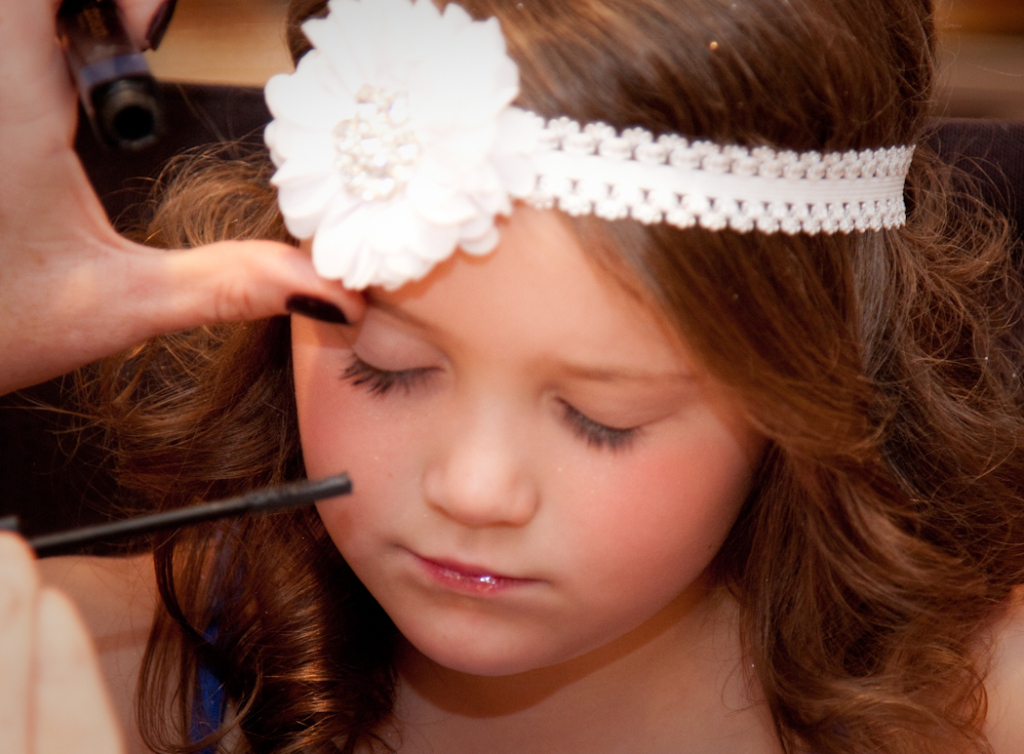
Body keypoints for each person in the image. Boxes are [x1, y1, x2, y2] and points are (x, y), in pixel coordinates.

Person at [7, 0, 1024, 752]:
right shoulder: (93, 662)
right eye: (388, 369)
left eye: (600, 417)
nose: (473, 489)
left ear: (813, 382)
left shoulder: (979, 705)